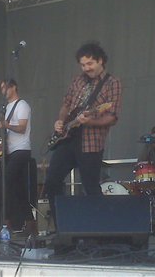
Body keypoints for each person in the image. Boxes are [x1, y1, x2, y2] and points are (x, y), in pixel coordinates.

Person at [44, 42, 122, 219]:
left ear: (100, 61)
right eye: (83, 64)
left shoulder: (112, 83)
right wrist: (60, 122)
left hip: (91, 143)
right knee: (52, 181)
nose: (86, 68)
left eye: (90, 64)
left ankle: (98, 232)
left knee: (91, 188)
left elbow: (112, 116)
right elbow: (66, 104)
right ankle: (62, 226)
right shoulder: (77, 80)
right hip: (67, 139)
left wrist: (90, 121)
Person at [0, 79, 35, 232]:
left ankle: (6, 221)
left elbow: (22, 128)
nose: (3, 91)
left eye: (5, 87)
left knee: (6, 183)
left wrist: (6, 125)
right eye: (1, 88)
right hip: (11, 151)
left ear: (13, 87)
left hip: (22, 150)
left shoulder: (22, 105)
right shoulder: (6, 108)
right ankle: (30, 223)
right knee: (17, 189)